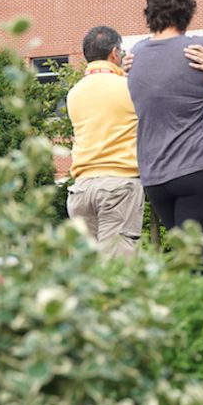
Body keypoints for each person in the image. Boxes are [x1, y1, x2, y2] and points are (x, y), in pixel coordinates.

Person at [125, 0, 203, 263]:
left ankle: (196, 305)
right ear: (186, 12)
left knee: (189, 254)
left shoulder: (135, 56)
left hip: (156, 176)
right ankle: (201, 308)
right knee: (197, 256)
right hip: (196, 166)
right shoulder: (200, 47)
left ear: (150, 14)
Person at [66, 25, 144, 259]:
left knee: (87, 270)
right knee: (117, 268)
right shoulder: (129, 87)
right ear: (114, 53)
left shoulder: (74, 93)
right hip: (118, 185)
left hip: (81, 189)